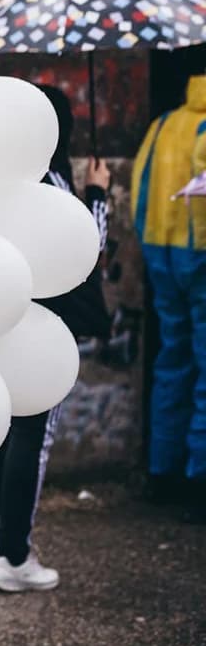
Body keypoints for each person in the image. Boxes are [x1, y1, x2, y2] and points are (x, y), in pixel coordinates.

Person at [0, 85, 111, 592]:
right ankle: (14, 555)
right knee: (32, 440)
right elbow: (86, 249)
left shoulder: (1, 174)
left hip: (4, 318)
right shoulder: (52, 180)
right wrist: (97, 193)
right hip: (47, 327)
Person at [131, 72, 206, 524]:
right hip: (200, 255)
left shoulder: (162, 125)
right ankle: (199, 477)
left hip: (160, 254)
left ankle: (162, 470)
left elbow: (140, 192)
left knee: (172, 359)